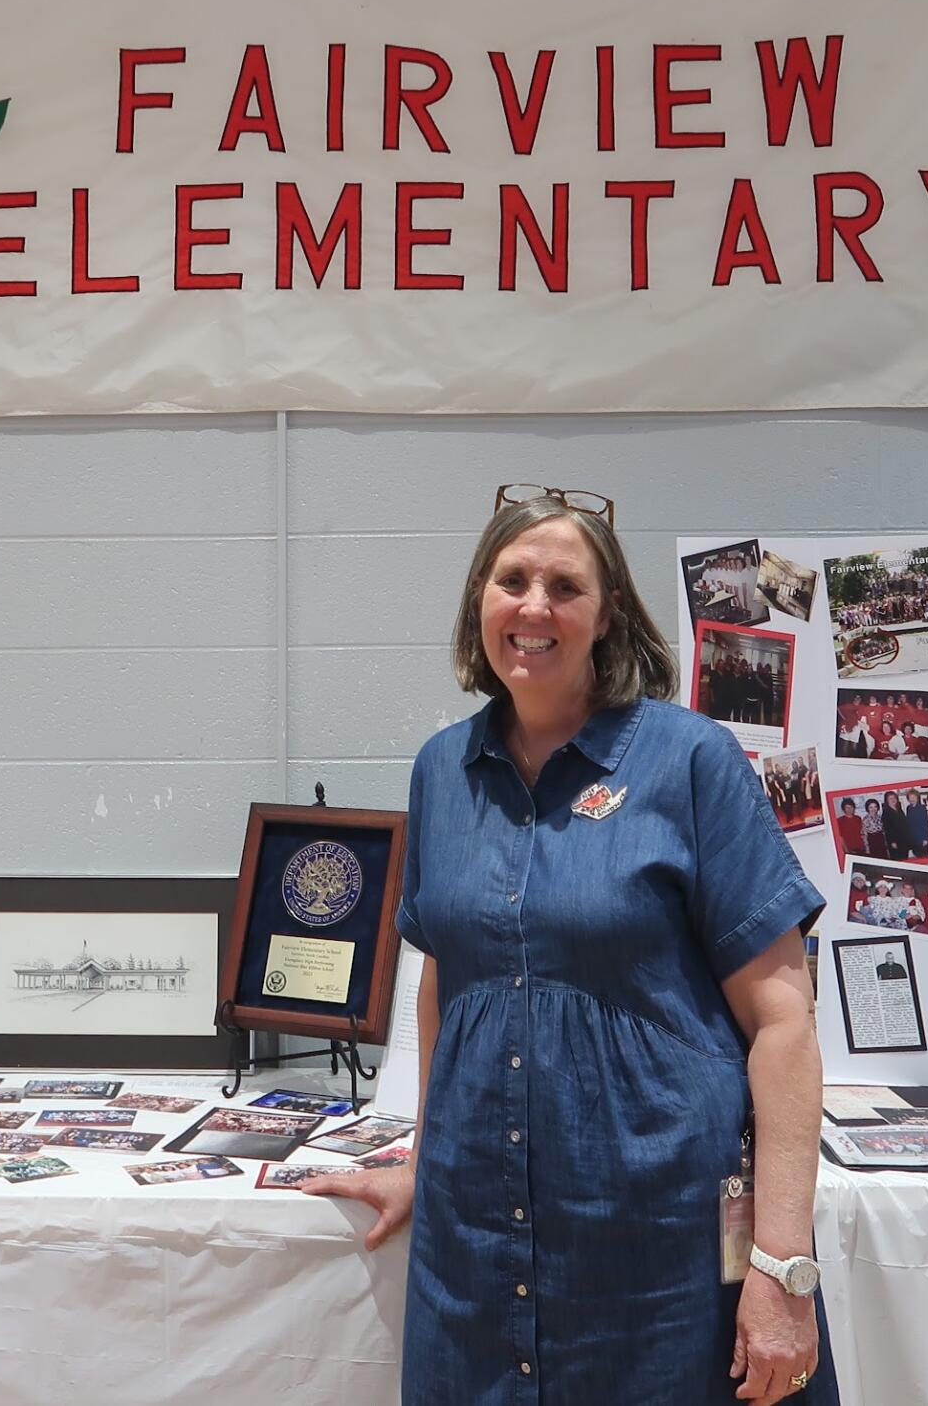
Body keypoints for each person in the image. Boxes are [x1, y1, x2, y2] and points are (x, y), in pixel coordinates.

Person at [303, 487, 835, 1404]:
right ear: (480, 598)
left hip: (660, 1252)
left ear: (609, 612)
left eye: (565, 586)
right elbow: (447, 984)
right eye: (512, 580)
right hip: (475, 1248)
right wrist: (424, 1163)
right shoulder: (442, 770)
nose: (535, 606)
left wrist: (782, 1264)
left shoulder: (691, 760)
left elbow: (784, 1022)